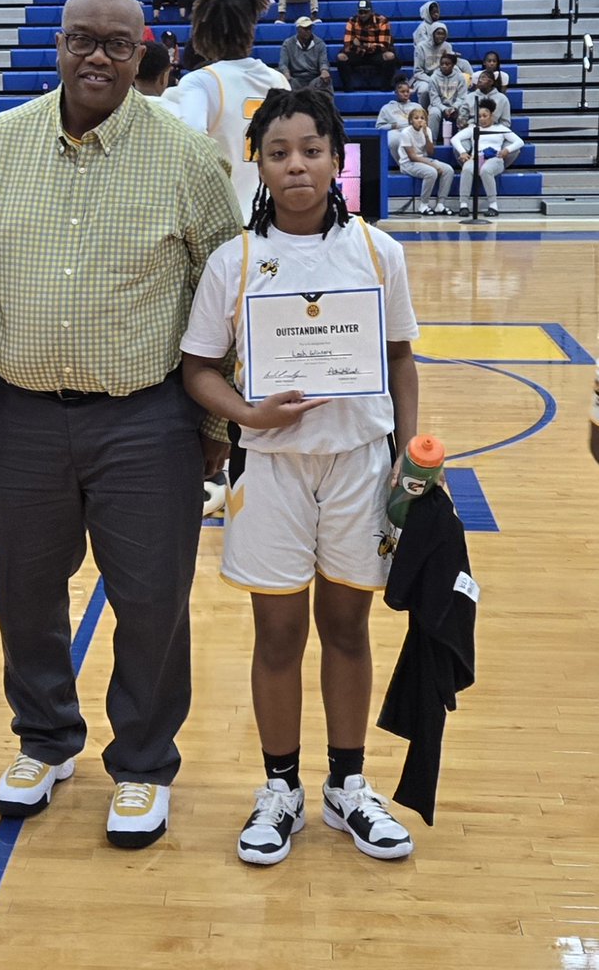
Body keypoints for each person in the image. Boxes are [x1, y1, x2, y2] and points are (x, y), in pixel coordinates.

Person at [0, 0, 242, 851]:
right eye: (83, 40)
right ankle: (44, 740)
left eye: (117, 43)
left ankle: (144, 762)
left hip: (145, 419)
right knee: (24, 594)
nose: (98, 57)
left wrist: (215, 425)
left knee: (152, 601)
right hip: (18, 415)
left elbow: (220, 293)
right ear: (60, 43)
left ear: (143, 50)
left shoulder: (187, 158)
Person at [179, 87, 418, 867]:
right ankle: (279, 786)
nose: (295, 166)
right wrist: (247, 415)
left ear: (336, 158)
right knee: (277, 634)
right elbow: (197, 370)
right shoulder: (234, 259)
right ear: (258, 162)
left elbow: (398, 358)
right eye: (278, 152)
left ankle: (347, 785)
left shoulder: (380, 252)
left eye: (310, 150)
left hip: (359, 462)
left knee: (346, 627)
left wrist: (409, 461)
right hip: (271, 471)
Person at [159, 0, 289, 218]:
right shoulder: (278, 80)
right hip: (273, 217)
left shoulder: (200, 82)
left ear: (203, 32)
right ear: (250, 28)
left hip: (223, 220)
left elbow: (189, 149)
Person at [451, 98, 524, 217]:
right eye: (479, 116)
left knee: (486, 170)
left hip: (494, 158)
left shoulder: (500, 129)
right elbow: (455, 139)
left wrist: (506, 150)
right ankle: (463, 205)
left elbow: (519, 142)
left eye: (485, 116)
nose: (482, 119)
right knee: (466, 169)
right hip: (476, 158)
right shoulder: (473, 129)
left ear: (492, 115)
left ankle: (493, 205)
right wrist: (463, 152)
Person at [396, 105, 454, 215]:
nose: (419, 120)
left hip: (423, 159)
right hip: (407, 163)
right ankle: (423, 205)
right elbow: (412, 157)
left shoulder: (427, 130)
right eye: (416, 118)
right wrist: (433, 165)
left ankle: (440, 204)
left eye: (422, 118)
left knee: (449, 170)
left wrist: (426, 136)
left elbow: (431, 152)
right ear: (411, 121)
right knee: (431, 172)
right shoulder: (405, 133)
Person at [336, 0, 396, 91]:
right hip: (358, 54)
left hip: (376, 54)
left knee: (390, 56)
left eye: (366, 12)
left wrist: (361, 45)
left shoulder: (382, 21)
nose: (363, 15)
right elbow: (348, 45)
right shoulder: (352, 21)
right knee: (341, 57)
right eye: (361, 12)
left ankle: (385, 88)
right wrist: (370, 46)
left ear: (371, 11)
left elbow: (384, 46)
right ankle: (348, 88)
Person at [278, 16, 331, 93]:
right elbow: (283, 64)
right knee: (285, 81)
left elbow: (323, 62)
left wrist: (324, 70)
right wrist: (286, 73)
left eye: (310, 28)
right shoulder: (288, 43)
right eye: (305, 28)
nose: (308, 31)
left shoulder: (320, 43)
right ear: (298, 29)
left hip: (314, 77)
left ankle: (326, 105)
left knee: (325, 80)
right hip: (295, 78)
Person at [427, 52, 469, 142]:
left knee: (463, 111)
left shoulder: (460, 77)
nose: (444, 66)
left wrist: (454, 107)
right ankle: (431, 141)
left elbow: (462, 97)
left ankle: (462, 141)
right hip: (439, 107)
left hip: (455, 106)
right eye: (442, 64)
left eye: (447, 64)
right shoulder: (433, 78)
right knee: (434, 113)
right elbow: (434, 99)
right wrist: (444, 109)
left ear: (453, 65)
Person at [375, 76, 419, 162]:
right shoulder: (387, 108)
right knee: (393, 138)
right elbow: (379, 126)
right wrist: (392, 126)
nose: (406, 94)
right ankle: (402, 163)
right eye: (402, 92)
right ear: (396, 92)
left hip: (414, 131)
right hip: (397, 131)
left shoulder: (417, 106)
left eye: (407, 91)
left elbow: (424, 122)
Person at [411, 22, 452, 107]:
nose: (441, 36)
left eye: (443, 34)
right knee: (424, 90)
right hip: (424, 78)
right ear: (432, 33)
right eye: (438, 34)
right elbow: (418, 72)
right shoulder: (421, 47)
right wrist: (432, 81)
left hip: (442, 77)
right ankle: (423, 112)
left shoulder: (447, 46)